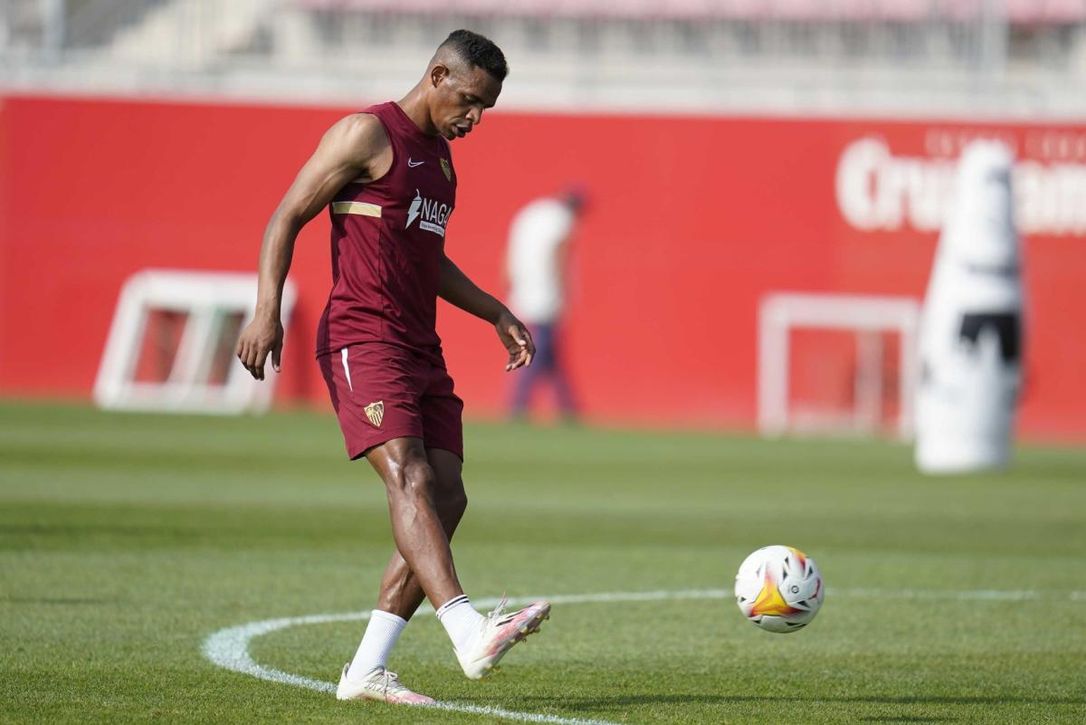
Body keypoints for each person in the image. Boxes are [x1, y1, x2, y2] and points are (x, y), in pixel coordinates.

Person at [235, 29, 550, 706]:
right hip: (362, 337)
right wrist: (267, 309)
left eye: (486, 109)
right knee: (406, 472)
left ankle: (366, 669)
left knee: (448, 494)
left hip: (420, 348)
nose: (474, 119)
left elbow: (426, 260)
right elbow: (286, 215)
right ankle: (466, 628)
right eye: (469, 100)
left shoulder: (440, 164)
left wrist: (495, 310)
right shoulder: (365, 135)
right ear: (437, 75)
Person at [506, 188, 585, 421]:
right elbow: (559, 256)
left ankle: (568, 407)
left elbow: (509, 252)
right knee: (537, 352)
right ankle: (518, 404)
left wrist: (509, 282)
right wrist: (565, 292)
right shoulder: (562, 220)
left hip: (523, 288)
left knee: (551, 355)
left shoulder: (534, 214)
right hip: (546, 295)